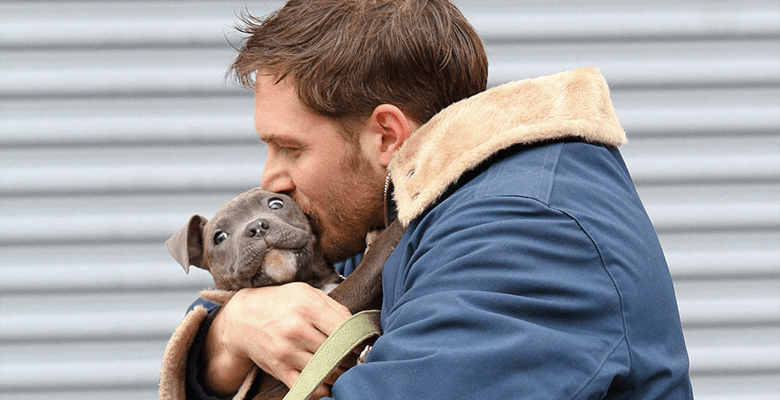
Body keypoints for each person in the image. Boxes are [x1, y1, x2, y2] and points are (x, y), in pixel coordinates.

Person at [161, 0, 694, 399]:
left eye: (289, 148)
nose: (271, 180)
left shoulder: (526, 230)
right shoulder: (398, 212)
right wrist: (230, 332)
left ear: (387, 136)